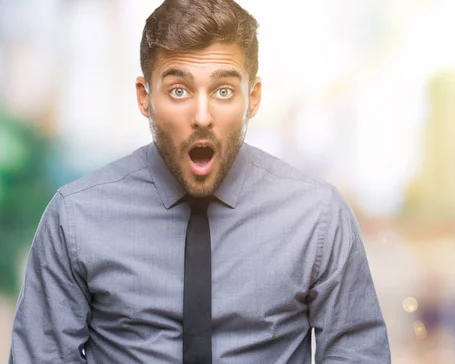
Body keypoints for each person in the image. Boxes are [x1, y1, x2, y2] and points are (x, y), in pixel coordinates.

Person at [9, 0, 391, 362]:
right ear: (145, 97)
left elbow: (357, 354)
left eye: (224, 91)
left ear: (253, 97)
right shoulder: (74, 218)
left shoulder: (318, 218)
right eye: (179, 90)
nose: (203, 116)